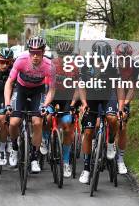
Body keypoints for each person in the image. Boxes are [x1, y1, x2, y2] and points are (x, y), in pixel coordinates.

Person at [4, 36, 55, 174]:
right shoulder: (21, 60)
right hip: (20, 89)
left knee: (37, 122)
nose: (35, 56)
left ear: (43, 52)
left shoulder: (49, 66)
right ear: (29, 52)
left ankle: (34, 157)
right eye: (33, 52)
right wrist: (8, 104)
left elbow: (51, 89)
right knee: (14, 122)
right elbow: (9, 83)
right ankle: (14, 147)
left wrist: (45, 105)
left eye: (39, 53)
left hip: (37, 91)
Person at [77, 40, 119, 184]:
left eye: (105, 58)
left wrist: (120, 107)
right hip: (92, 97)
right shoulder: (86, 65)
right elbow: (81, 86)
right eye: (99, 58)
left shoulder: (113, 66)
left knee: (112, 119)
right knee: (88, 133)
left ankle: (111, 143)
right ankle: (87, 168)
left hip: (108, 96)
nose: (102, 61)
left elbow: (118, 87)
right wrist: (84, 103)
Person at [48, 41, 80, 178]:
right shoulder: (50, 65)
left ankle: (66, 161)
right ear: (57, 54)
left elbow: (79, 87)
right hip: (52, 94)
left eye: (66, 55)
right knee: (47, 117)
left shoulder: (74, 67)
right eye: (61, 55)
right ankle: (45, 139)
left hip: (67, 97)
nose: (63, 58)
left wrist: (73, 104)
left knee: (67, 125)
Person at [111, 42, 139, 174]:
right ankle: (102, 142)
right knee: (103, 120)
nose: (123, 61)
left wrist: (126, 104)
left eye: (126, 58)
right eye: (121, 58)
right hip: (110, 93)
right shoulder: (111, 65)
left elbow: (132, 87)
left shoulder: (135, 66)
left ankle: (120, 160)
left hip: (125, 93)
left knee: (122, 126)